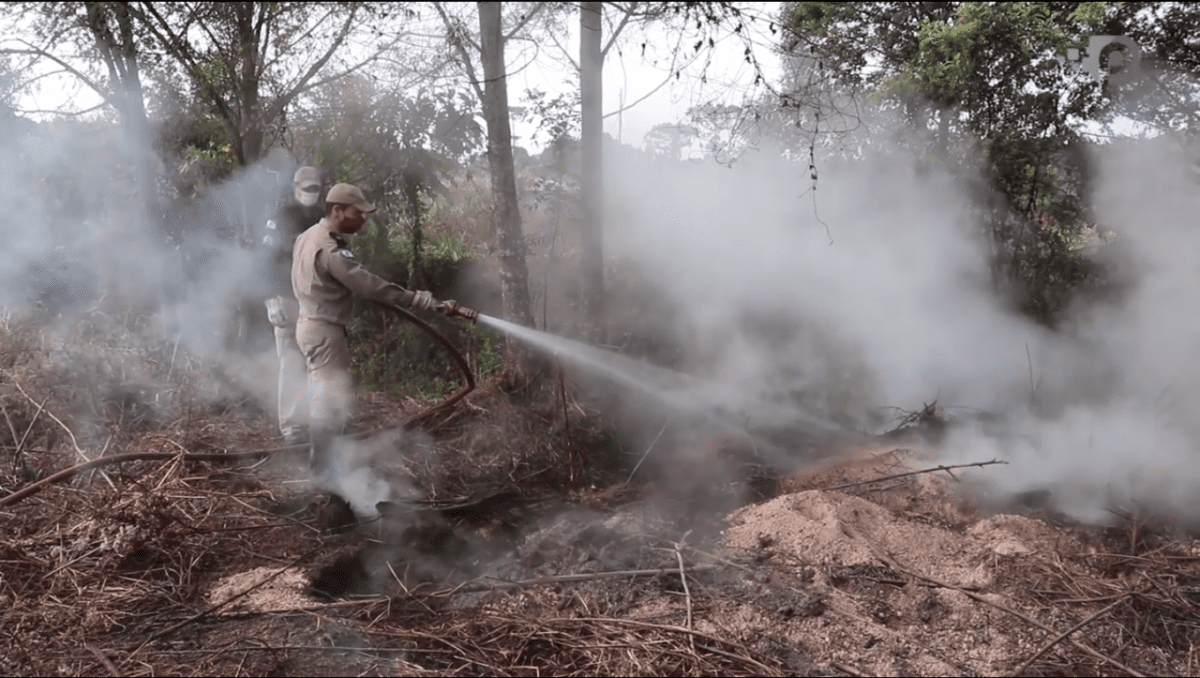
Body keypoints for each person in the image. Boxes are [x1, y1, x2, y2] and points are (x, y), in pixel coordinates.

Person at [291, 182, 438, 472]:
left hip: (308, 325)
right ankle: (325, 478)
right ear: (337, 210)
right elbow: (366, 284)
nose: (363, 219)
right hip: (326, 331)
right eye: (357, 212)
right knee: (328, 405)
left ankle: (330, 469)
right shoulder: (329, 247)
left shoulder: (306, 237)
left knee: (324, 398)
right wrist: (415, 299)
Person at [264, 166, 325, 446]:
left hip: (316, 303)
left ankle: (315, 422)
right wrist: (270, 301)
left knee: (317, 364)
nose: (312, 193)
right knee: (291, 364)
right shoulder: (281, 218)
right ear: (296, 188)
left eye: (316, 188)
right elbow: (265, 261)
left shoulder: (322, 218)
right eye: (307, 188)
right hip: (286, 300)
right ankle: (292, 429)